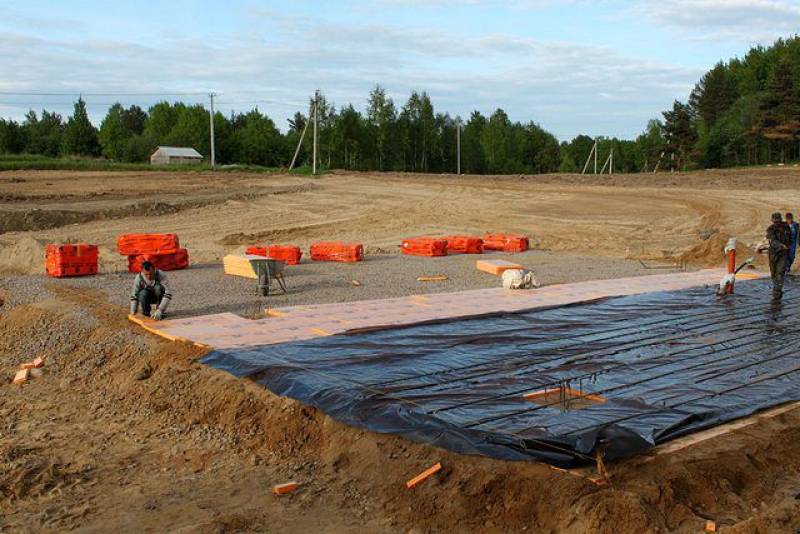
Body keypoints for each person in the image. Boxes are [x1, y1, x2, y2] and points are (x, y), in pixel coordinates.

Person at [766, 212, 791, 299]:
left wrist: (788, 247)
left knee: (780, 272)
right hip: (773, 254)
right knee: (774, 273)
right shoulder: (770, 229)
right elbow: (773, 241)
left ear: (780, 220)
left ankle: (777, 291)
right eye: (775, 222)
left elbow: (791, 238)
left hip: (783, 254)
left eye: (778, 221)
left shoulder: (786, 227)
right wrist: (782, 245)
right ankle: (776, 286)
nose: (776, 223)